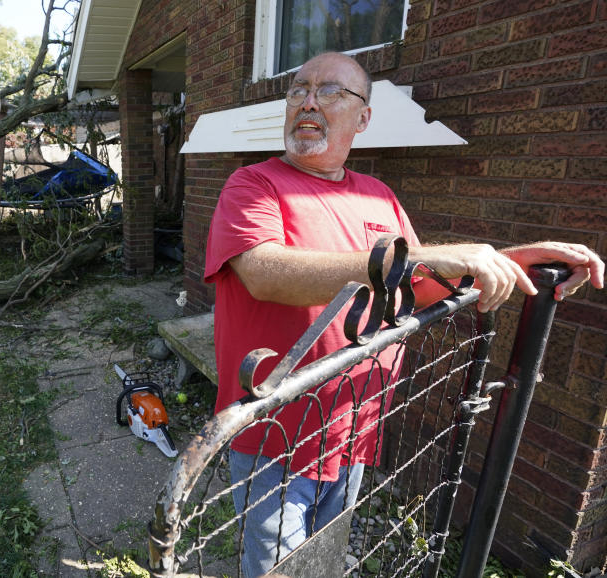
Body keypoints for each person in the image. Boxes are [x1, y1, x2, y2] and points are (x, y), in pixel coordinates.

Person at [203, 52, 604, 577]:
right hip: (276, 439)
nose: (307, 100)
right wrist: (417, 257)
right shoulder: (253, 185)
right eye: (298, 89)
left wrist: (510, 259)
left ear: (363, 118)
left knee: (321, 562)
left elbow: (419, 284)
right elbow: (265, 271)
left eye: (329, 91)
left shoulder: (379, 196)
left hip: (355, 428)